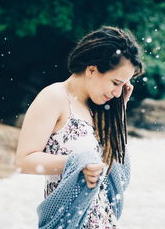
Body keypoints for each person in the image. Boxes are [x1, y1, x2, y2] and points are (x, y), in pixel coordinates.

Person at [15, 26, 144, 228]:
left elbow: (115, 171)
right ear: (91, 70)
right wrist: (75, 163)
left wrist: (119, 114)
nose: (118, 93)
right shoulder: (54, 97)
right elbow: (24, 161)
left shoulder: (103, 109)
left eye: (123, 85)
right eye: (115, 83)